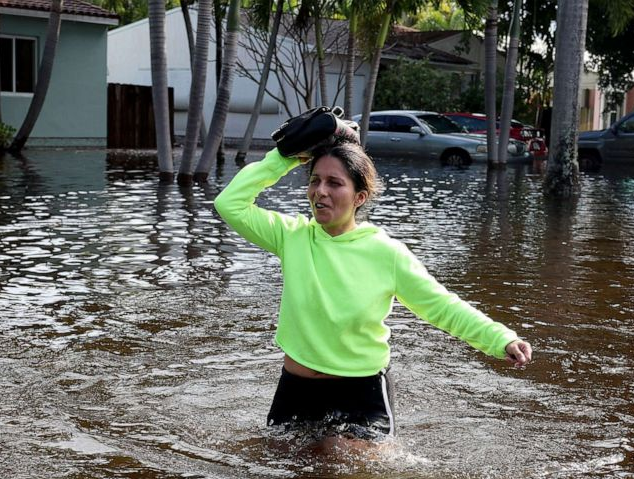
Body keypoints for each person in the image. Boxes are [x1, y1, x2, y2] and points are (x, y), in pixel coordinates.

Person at [213, 133, 532, 442]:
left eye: (334, 183)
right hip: (296, 389)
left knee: (347, 468)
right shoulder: (291, 236)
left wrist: (499, 338)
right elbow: (230, 203)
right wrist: (286, 157)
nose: (320, 191)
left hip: (360, 392)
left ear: (360, 196)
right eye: (315, 180)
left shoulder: (386, 253)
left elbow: (441, 306)